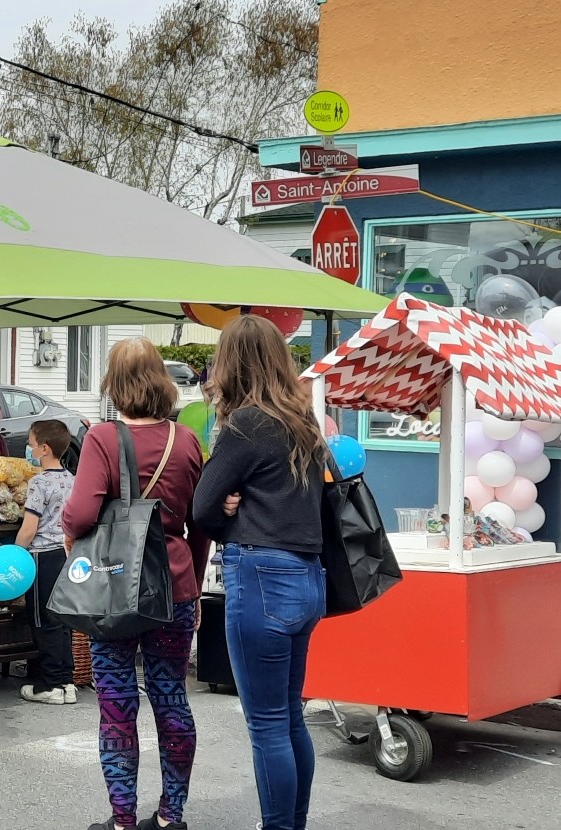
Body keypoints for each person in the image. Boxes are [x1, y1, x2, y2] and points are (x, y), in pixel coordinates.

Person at [62, 337, 210, 830]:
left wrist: (68, 535)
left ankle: (123, 817)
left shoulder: (104, 439)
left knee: (118, 703)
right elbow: (201, 521)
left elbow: (81, 512)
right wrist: (194, 576)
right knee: (171, 696)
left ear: (114, 385)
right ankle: (172, 815)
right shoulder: (187, 441)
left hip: (114, 588)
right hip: (176, 585)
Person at [191, 316, 327, 830]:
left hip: (261, 577)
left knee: (267, 725)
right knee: (289, 717)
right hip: (307, 578)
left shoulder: (246, 424)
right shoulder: (302, 421)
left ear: (233, 363)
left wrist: (228, 512)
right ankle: (293, 822)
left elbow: (203, 506)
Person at [14, 419, 76, 705]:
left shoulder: (39, 482)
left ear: (44, 449)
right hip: (66, 554)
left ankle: (48, 684)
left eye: (30, 443)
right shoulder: (71, 480)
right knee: (63, 620)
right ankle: (66, 681)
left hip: (41, 557)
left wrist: (15, 553)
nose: (28, 447)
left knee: (43, 620)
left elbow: (29, 527)